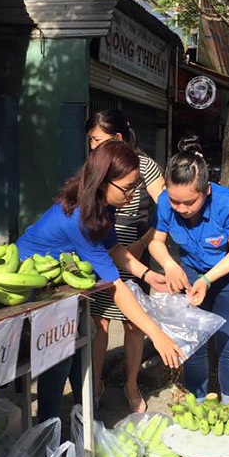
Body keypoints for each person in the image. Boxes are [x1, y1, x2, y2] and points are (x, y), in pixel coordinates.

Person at [16, 140, 185, 422]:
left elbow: (114, 249)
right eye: (127, 188)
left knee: (80, 346)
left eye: (136, 187)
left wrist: (147, 275)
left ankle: (86, 421)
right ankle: (46, 430)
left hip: (63, 286)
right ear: (103, 181)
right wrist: (157, 334)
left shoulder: (102, 206)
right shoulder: (79, 218)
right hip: (32, 285)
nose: (133, 195)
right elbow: (116, 287)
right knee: (60, 356)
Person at [148, 135, 229, 405]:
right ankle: (198, 402)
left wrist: (208, 279)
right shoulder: (163, 203)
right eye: (175, 201)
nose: (181, 209)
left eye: (189, 203)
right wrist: (170, 264)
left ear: (206, 191)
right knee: (194, 340)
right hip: (191, 271)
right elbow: (156, 242)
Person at [85, 109, 165, 413]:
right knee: (98, 322)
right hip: (99, 253)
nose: (93, 146)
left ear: (117, 138)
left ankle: (132, 385)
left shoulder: (146, 167)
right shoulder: (96, 165)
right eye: (91, 140)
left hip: (133, 257)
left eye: (97, 139)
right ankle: (95, 385)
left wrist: (144, 243)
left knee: (134, 324)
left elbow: (167, 214)